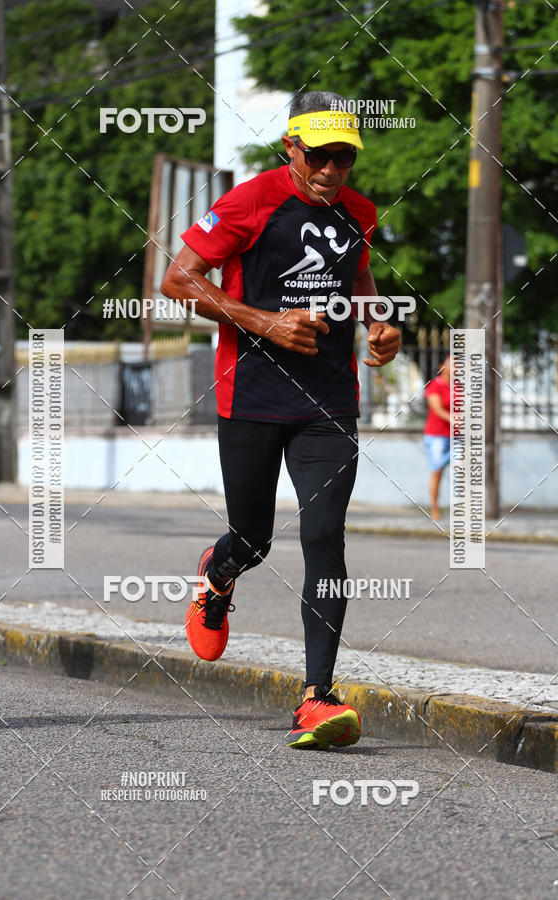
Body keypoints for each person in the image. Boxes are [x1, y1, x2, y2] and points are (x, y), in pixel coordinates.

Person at [161, 91, 400, 750]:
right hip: (252, 397)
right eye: (318, 154)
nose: (330, 169)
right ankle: (219, 573)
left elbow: (361, 280)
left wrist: (379, 327)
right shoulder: (251, 201)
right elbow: (177, 280)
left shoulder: (360, 212)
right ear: (291, 147)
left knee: (325, 535)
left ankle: (318, 698)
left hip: (329, 401)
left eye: (343, 157)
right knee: (254, 539)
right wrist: (262, 320)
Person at [423, 356, 452, 520]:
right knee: (437, 472)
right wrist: (455, 419)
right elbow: (437, 408)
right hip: (437, 436)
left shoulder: (458, 387)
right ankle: (434, 508)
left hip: (456, 436)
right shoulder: (434, 385)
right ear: (442, 366)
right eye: (452, 364)